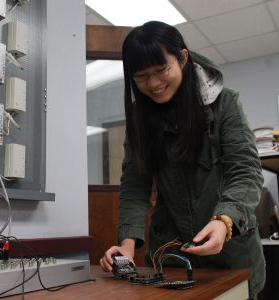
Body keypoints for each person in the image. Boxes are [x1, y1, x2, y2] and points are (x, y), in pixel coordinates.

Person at [99, 20, 265, 298]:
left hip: (231, 255)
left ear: (183, 58)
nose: (153, 84)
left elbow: (246, 172)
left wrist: (224, 221)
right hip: (171, 254)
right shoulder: (141, 118)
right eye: (141, 76)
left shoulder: (225, 104)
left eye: (161, 70)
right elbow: (135, 183)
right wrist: (127, 245)